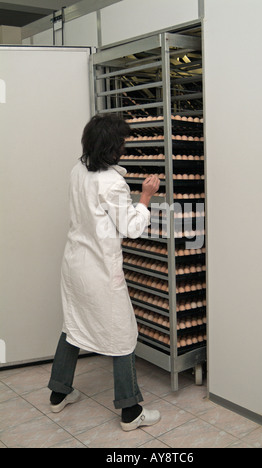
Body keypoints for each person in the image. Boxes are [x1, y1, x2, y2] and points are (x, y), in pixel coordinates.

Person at [48, 114, 161, 432]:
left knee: (74, 325)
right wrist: (146, 197)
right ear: (112, 148)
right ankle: (130, 411)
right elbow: (132, 228)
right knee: (123, 334)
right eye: (122, 142)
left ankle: (59, 392)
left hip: (74, 264)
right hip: (99, 270)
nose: (124, 147)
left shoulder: (77, 170)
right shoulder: (112, 183)